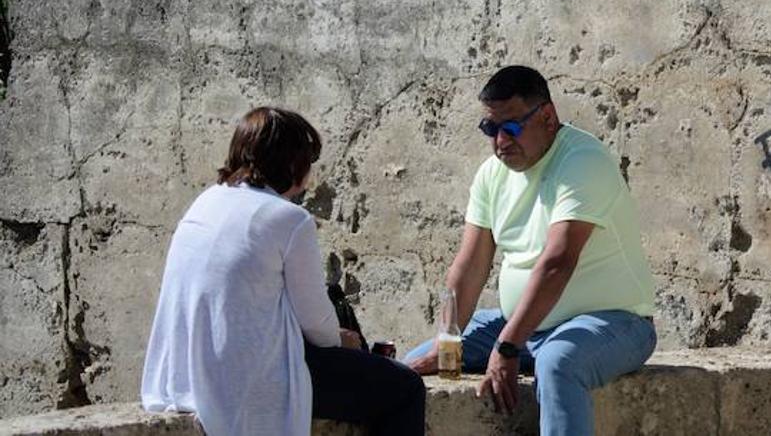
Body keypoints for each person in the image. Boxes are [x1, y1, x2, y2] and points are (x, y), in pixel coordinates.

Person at [140, 107, 425, 436]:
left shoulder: (206, 201)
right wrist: (342, 340)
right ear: (294, 164)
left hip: (185, 375)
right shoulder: (289, 219)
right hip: (249, 376)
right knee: (404, 388)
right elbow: (317, 324)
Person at [405, 65, 656, 436]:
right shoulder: (492, 174)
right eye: (490, 129)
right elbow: (469, 266)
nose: (500, 141)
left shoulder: (582, 162)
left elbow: (557, 262)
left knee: (557, 364)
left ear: (548, 117)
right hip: (523, 326)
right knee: (414, 366)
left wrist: (507, 347)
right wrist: (448, 341)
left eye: (512, 128)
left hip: (614, 323)